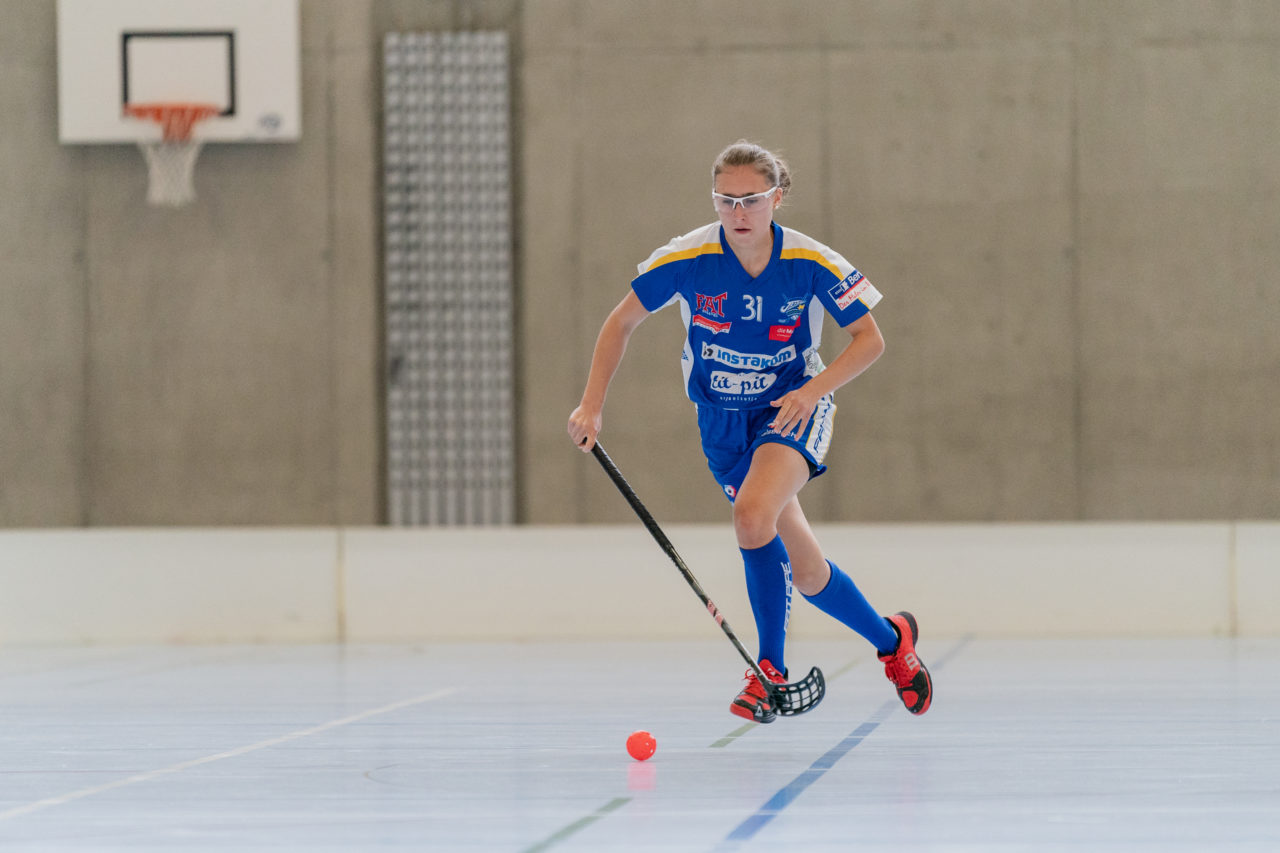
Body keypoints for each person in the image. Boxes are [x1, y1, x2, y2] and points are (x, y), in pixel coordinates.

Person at [567, 140, 931, 723]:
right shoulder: (687, 257)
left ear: (776, 199)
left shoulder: (811, 261)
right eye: (726, 200)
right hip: (721, 424)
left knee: (752, 515)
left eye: (752, 200)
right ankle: (893, 643)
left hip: (791, 408)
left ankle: (769, 672)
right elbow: (621, 322)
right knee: (806, 571)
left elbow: (871, 339)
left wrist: (812, 391)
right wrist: (591, 406)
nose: (738, 213)